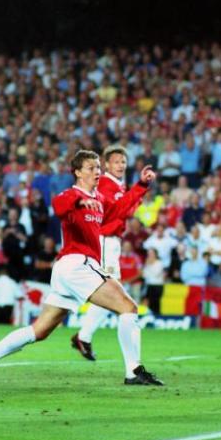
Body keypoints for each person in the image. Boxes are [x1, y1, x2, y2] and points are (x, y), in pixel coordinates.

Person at [0, 150, 164, 386]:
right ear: (77, 172)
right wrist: (78, 200)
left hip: (68, 269)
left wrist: (141, 185)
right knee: (128, 307)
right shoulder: (73, 195)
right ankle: (133, 371)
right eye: (90, 168)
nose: (97, 172)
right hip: (78, 264)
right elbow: (58, 205)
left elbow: (119, 210)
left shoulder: (99, 199)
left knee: (39, 331)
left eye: (98, 168)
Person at [72, 145, 146, 361]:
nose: (120, 165)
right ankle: (83, 336)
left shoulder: (118, 185)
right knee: (112, 291)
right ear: (106, 164)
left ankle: (83, 336)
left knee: (112, 292)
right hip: (104, 240)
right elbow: (115, 211)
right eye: (116, 162)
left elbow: (127, 212)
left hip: (112, 241)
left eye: (123, 162)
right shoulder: (105, 183)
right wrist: (139, 192)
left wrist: (135, 197)